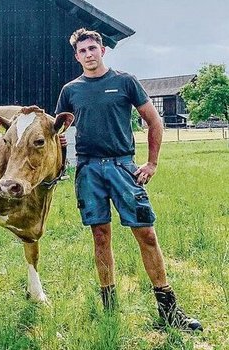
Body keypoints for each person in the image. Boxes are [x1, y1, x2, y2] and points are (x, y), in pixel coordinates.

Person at [55, 28, 202, 332]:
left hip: (123, 168)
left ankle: (168, 309)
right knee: (100, 236)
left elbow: (154, 121)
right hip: (88, 170)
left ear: (102, 50)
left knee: (146, 234)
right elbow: (60, 132)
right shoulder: (70, 90)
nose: (88, 54)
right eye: (82, 51)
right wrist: (63, 155)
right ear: (76, 56)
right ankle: (110, 305)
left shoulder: (125, 82)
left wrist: (151, 163)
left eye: (92, 48)